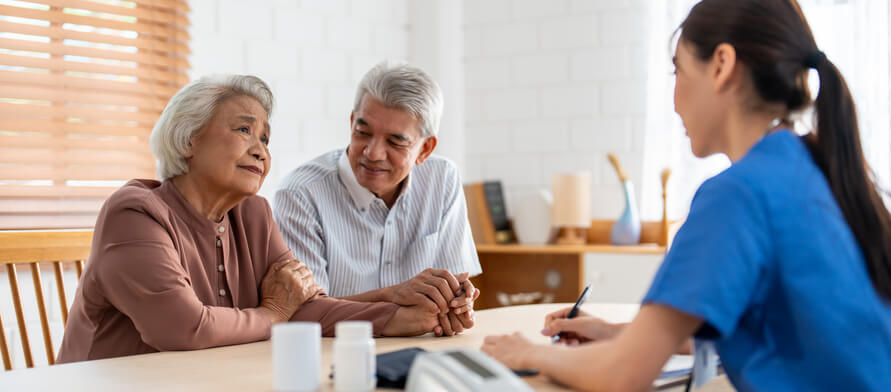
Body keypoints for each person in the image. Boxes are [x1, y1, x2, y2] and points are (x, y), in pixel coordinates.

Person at [481, 0, 891, 390]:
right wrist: (612, 333)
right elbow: (774, 332)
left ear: (721, 66)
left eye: (677, 71)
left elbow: (622, 376)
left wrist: (527, 352)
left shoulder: (738, 195)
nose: (674, 102)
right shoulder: (814, 168)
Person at [57, 75, 448, 364]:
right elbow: (182, 328)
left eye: (265, 138)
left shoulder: (254, 214)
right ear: (189, 138)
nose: (260, 150)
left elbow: (306, 308)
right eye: (245, 129)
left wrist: (401, 317)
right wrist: (272, 314)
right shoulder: (134, 213)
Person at [273, 61, 481, 336]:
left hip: (423, 345)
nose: (373, 152)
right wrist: (394, 297)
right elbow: (303, 311)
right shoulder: (301, 193)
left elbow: (454, 286)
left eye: (395, 142)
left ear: (425, 149)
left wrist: (456, 302)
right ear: (351, 122)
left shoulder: (442, 179)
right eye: (363, 132)